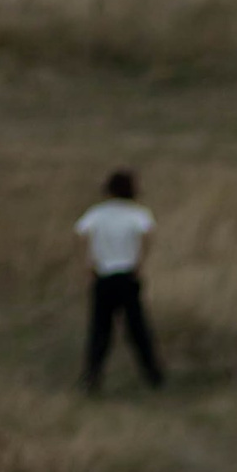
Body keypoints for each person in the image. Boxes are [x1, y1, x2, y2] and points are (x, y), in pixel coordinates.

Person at [77, 168, 165, 392]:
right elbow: (146, 237)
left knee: (100, 330)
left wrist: (89, 264)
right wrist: (140, 264)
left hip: (103, 276)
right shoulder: (138, 214)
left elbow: (82, 234)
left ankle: (92, 378)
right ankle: (153, 376)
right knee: (138, 330)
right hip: (127, 276)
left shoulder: (96, 213)